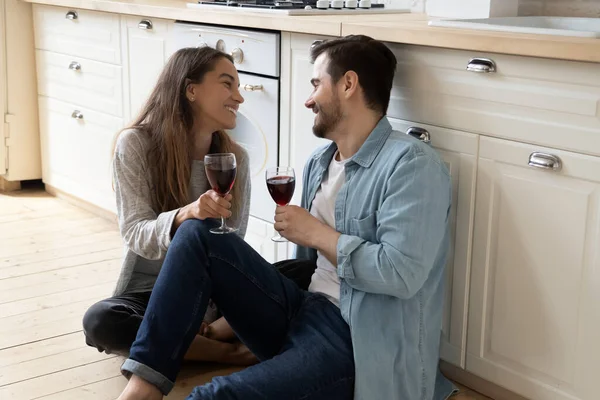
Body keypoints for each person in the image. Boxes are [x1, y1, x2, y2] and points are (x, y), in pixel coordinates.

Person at [117, 35, 457, 400]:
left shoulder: (411, 165)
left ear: (348, 84)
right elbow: (306, 269)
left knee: (219, 396)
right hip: (304, 309)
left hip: (355, 337)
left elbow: (401, 274)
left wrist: (316, 233)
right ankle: (143, 388)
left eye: (316, 85)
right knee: (197, 233)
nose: (308, 100)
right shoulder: (319, 162)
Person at [82, 46, 261, 366]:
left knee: (299, 273)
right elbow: (136, 234)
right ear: (191, 89)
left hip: (212, 296)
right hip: (149, 293)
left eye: (238, 85)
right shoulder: (136, 144)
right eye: (227, 84)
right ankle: (225, 351)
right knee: (101, 321)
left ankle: (193, 337)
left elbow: (232, 243)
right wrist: (185, 215)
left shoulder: (237, 159)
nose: (239, 97)